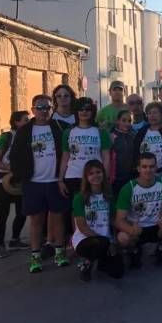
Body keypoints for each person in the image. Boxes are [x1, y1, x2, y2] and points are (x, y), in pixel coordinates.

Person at [9, 94, 69, 272]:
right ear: (33, 109)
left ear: (52, 109)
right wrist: (21, 177)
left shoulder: (60, 128)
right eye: (40, 108)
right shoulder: (24, 131)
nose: (44, 111)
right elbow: (15, 156)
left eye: (47, 108)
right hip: (33, 183)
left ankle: (59, 252)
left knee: (58, 218)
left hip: (55, 182)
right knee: (36, 220)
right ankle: (35, 256)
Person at [58, 97, 112, 239]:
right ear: (76, 112)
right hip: (73, 176)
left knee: (94, 208)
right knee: (75, 211)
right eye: (81, 109)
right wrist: (60, 179)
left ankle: (97, 238)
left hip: (95, 177)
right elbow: (65, 157)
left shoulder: (100, 132)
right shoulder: (68, 132)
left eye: (88, 109)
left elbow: (106, 157)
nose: (84, 112)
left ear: (92, 112)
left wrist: (105, 177)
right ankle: (77, 241)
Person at [115, 152, 162, 267]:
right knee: (122, 237)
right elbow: (119, 220)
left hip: (157, 226)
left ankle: (161, 248)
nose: (148, 170)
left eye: (151, 166)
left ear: (156, 167)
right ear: (138, 168)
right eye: (144, 167)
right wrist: (130, 229)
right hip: (137, 228)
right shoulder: (128, 188)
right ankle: (134, 251)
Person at [72, 160, 124, 281]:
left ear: (103, 173)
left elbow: (112, 220)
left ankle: (101, 263)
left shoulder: (109, 195)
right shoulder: (79, 197)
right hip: (85, 240)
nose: (95, 176)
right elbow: (81, 226)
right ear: (86, 177)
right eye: (91, 173)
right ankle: (86, 265)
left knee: (118, 272)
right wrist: (103, 240)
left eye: (98, 172)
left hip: (106, 239)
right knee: (99, 243)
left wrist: (114, 240)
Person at [0, 111, 30, 258]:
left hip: (20, 181)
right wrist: (11, 169)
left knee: (22, 212)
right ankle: (0, 245)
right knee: (3, 214)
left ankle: (15, 239)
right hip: (3, 181)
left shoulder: (27, 138)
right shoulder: (6, 138)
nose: (28, 122)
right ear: (16, 122)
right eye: (25, 120)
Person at [134, 102, 162, 177]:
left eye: (155, 113)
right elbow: (135, 152)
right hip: (144, 173)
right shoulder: (142, 132)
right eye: (149, 113)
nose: (152, 116)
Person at [110, 110, 136, 196]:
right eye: (124, 120)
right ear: (117, 121)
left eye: (129, 121)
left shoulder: (134, 136)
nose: (127, 124)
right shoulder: (112, 136)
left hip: (131, 176)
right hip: (115, 177)